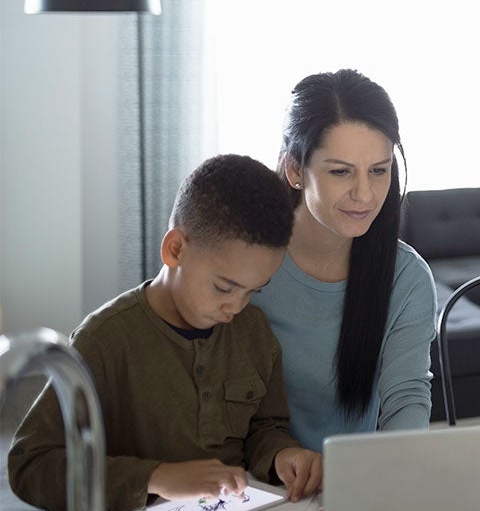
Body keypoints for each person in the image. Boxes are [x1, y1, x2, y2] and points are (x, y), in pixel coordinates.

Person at [8, 154, 323, 511]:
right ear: (175, 249)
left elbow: (265, 427)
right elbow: (30, 464)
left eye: (254, 290)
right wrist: (155, 477)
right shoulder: (106, 339)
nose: (236, 307)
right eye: (223, 288)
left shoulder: (254, 333)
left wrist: (282, 453)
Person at [253, 69, 437, 451]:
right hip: (251, 486)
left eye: (379, 171)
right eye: (341, 172)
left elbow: (406, 399)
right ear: (294, 170)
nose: (365, 195)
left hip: (358, 485)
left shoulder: (407, 278)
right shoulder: (246, 266)